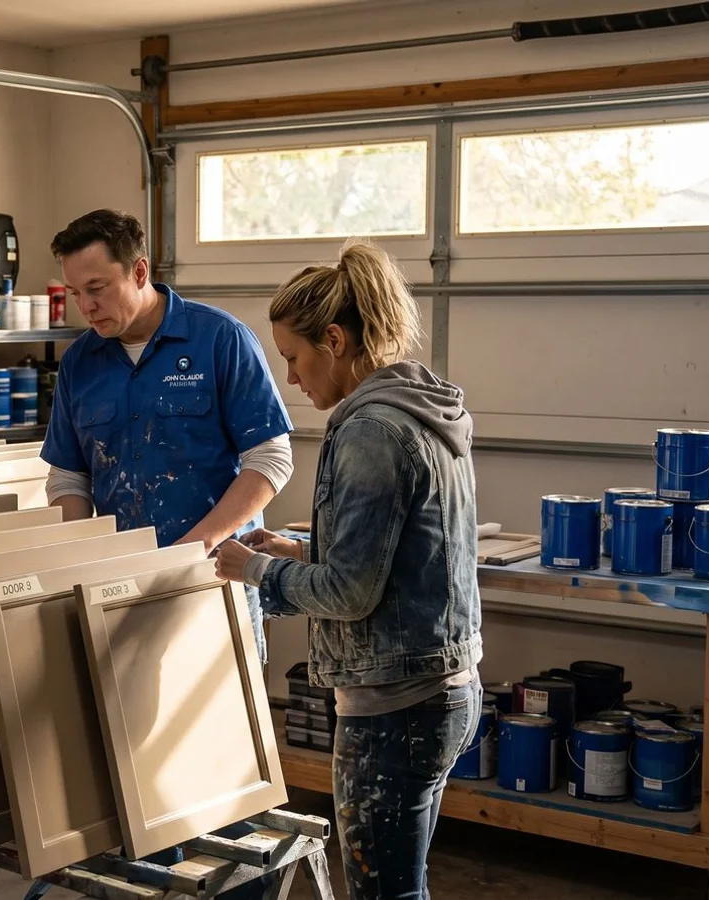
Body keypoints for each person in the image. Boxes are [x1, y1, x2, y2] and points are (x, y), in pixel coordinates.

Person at [214, 239, 483, 900]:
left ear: (334, 339)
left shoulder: (370, 432)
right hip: (442, 686)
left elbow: (351, 592)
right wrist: (305, 550)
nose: (293, 379)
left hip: (395, 705)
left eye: (295, 359)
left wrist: (252, 571)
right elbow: (404, 557)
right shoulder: (422, 411)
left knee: (381, 893)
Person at [41, 208, 295, 662]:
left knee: (227, 722)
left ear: (139, 271)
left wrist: (195, 546)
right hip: (120, 580)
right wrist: (76, 557)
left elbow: (271, 459)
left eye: (97, 289)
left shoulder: (221, 340)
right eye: (76, 293)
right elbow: (69, 477)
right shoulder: (79, 363)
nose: (87, 306)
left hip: (216, 571)